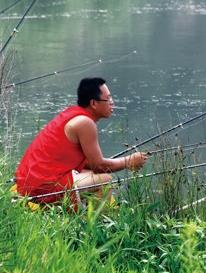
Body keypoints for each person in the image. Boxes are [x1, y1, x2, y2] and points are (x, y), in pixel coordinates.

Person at [15, 77, 147, 205]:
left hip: (29, 185)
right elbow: (99, 166)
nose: (112, 102)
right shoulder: (85, 123)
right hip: (41, 189)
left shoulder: (73, 114)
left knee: (93, 174)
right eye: (108, 98)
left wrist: (110, 163)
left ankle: (88, 217)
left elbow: (89, 164)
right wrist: (129, 161)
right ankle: (98, 223)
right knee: (105, 180)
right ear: (93, 103)